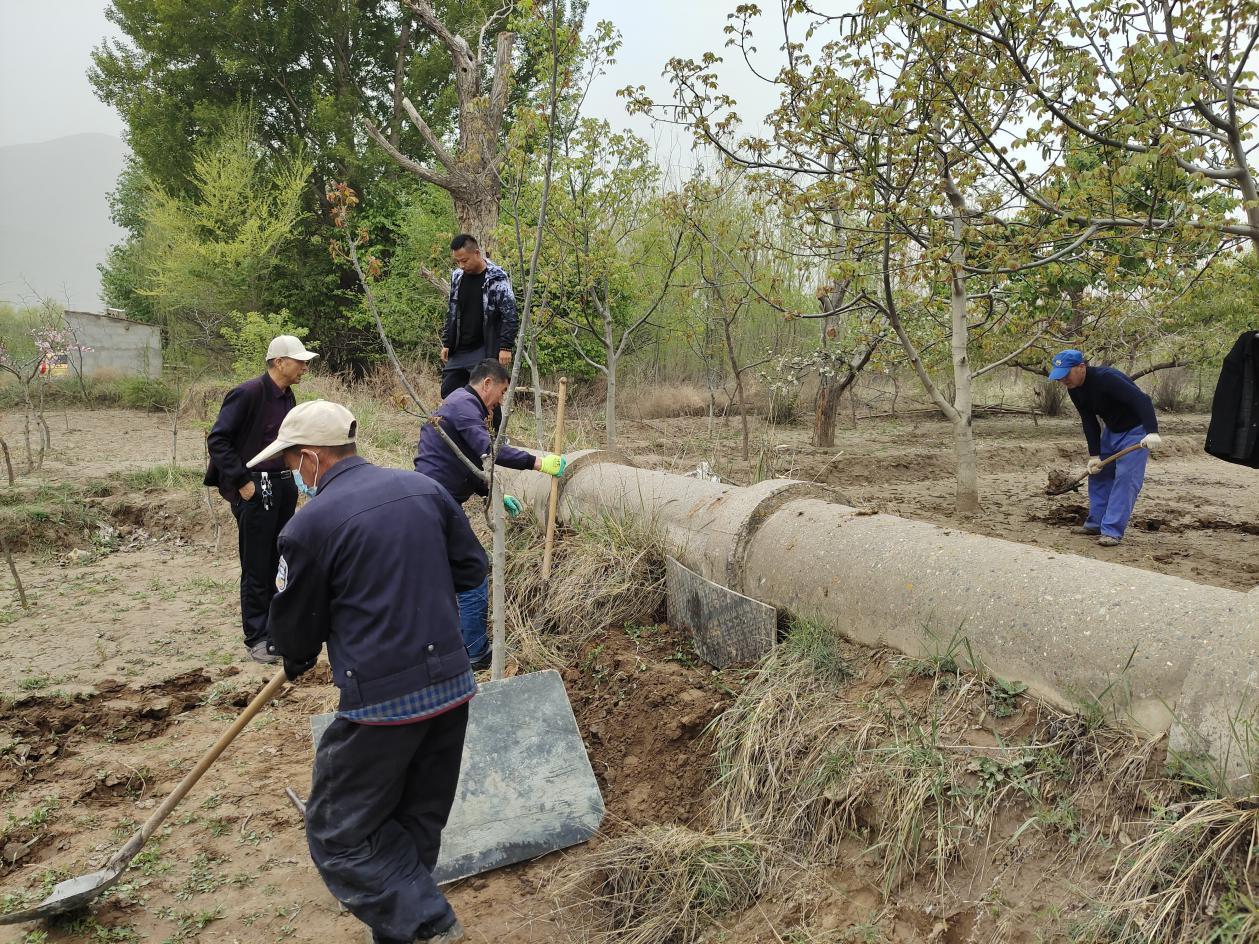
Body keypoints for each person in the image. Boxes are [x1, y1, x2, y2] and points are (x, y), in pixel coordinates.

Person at [249, 400, 487, 944]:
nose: (294, 475)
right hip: (452, 686)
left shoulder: (310, 525)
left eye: (291, 464)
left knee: (338, 833)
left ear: (311, 458)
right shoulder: (425, 491)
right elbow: (472, 569)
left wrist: (300, 651)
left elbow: (294, 634)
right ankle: (400, 933)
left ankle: (430, 927)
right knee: (415, 822)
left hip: (382, 702)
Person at [415, 358, 566, 668]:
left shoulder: (459, 405)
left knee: (445, 574)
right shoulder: (464, 405)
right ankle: (475, 653)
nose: (500, 401)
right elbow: (488, 450)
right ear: (487, 384)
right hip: (436, 502)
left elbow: (466, 461)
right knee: (473, 569)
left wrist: (492, 494)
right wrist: (538, 462)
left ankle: (449, 642)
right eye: (502, 391)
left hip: (430, 500)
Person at [204, 334, 317, 663]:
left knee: (280, 560)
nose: (304, 367)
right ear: (279, 362)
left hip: (283, 484)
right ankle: (257, 636)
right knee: (256, 564)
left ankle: (277, 630)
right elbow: (218, 439)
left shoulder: (287, 396)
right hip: (255, 486)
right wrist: (242, 482)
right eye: (299, 361)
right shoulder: (248, 393)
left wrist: (298, 478)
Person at [1050, 349, 1162, 546]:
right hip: (1111, 432)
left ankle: (1111, 531)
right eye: (1060, 377)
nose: (1063, 380)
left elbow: (1142, 400)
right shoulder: (1074, 388)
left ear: (1081, 367)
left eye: (1066, 374)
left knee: (1125, 479)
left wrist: (1152, 431)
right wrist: (1095, 454)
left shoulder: (1107, 378)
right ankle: (1096, 523)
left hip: (1136, 432)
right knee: (1098, 474)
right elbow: (1088, 420)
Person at [440, 234, 517, 429]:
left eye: (464, 260)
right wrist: (447, 342)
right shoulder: (457, 276)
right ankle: (463, 431)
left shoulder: (497, 277)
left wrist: (506, 346)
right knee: (449, 390)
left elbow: (510, 312)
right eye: (457, 261)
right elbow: (452, 310)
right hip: (460, 347)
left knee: (488, 394)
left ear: (477, 253)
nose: (461, 265)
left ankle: (497, 439)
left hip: (484, 347)